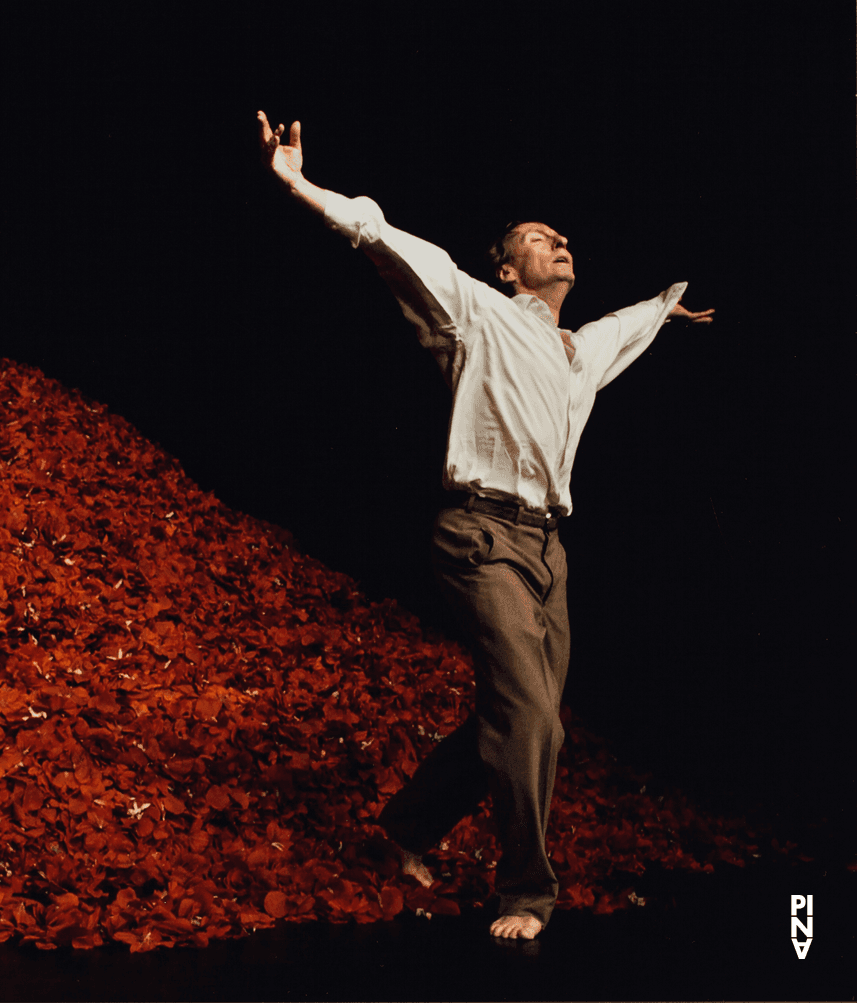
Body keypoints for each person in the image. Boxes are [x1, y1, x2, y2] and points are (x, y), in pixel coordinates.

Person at [255, 111, 714, 940]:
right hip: (480, 536)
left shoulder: (576, 355)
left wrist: (664, 309)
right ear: (508, 269)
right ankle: (527, 892)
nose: (558, 240)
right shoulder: (476, 310)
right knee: (531, 714)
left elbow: (623, 332)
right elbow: (385, 238)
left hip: (548, 551)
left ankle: (401, 830)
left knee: (527, 714)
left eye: (561, 235)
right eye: (540, 239)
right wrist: (298, 183)